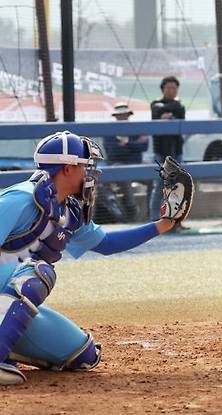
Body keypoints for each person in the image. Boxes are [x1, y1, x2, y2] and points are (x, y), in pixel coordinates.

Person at [0, 131, 193, 385]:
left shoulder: (67, 210)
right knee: (39, 273)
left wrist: (163, 224)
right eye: (84, 165)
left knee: (83, 354)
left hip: (7, 301)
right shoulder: (22, 197)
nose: (90, 173)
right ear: (67, 169)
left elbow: (107, 243)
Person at [103, 103, 148, 221]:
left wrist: (127, 144)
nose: (122, 117)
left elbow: (144, 146)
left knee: (155, 178)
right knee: (124, 178)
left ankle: (152, 214)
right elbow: (113, 151)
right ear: (115, 116)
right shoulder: (109, 132)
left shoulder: (136, 129)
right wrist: (134, 145)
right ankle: (132, 214)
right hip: (117, 165)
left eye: (125, 114)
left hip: (137, 165)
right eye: (120, 115)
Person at [149, 76, 186, 223]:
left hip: (177, 151)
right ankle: (154, 219)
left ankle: (175, 221)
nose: (171, 90)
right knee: (159, 185)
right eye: (168, 88)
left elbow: (179, 111)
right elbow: (157, 109)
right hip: (160, 152)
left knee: (179, 187)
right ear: (162, 89)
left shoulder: (179, 106)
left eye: (174, 88)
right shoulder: (155, 104)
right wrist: (171, 111)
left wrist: (166, 114)